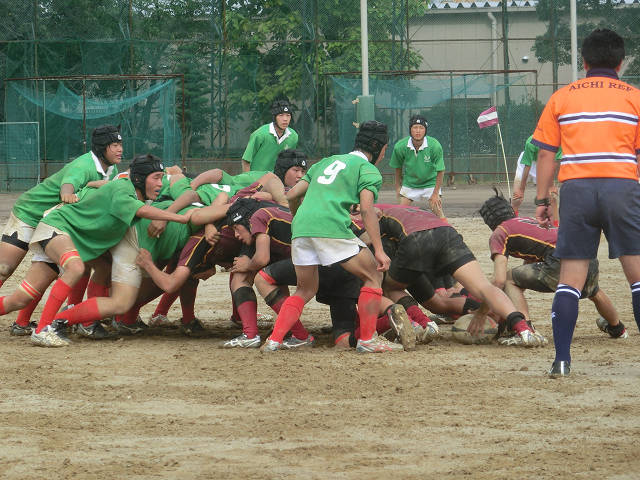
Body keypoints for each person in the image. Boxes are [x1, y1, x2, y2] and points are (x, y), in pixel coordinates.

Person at [533, 28, 640, 378]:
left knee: (571, 280)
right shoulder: (634, 98)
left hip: (576, 190)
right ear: (621, 63)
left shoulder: (563, 97)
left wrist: (541, 200)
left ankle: (561, 361)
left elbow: (546, 155)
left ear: (583, 61)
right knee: (636, 279)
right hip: (622, 188)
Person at [262, 120, 415, 353]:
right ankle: (367, 340)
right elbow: (366, 209)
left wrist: (300, 219)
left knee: (305, 289)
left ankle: (274, 341)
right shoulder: (368, 170)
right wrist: (379, 250)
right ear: (376, 147)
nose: (384, 154)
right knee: (373, 275)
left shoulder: (326, 162)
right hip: (331, 227)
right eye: (384, 149)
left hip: (302, 227)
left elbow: (292, 195)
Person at [19, 154, 191, 347]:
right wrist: (179, 217)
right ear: (139, 179)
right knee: (76, 268)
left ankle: (74, 322)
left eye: (161, 177)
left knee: (17, 300)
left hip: (76, 235)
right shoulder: (124, 192)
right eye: (156, 177)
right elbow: (141, 211)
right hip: (59, 228)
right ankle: (44, 328)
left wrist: (173, 173)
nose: (160, 183)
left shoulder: (130, 185)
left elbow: (106, 183)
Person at [0, 125, 123, 335]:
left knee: (49, 273)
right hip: (30, 213)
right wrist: (68, 194)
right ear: (102, 148)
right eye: (115, 145)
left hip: (55, 222)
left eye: (121, 144)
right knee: (4, 269)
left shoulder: (113, 171)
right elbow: (68, 186)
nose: (120, 149)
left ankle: (22, 323)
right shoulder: (84, 165)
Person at [376, 204, 547, 347]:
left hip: (415, 240)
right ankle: (524, 329)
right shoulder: (399, 209)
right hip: (446, 233)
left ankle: (424, 324)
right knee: (478, 289)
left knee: (390, 287)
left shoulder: (366, 212)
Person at [480, 191, 627, 342]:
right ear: (510, 210)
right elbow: (532, 259)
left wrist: (482, 311)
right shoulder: (525, 221)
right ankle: (618, 329)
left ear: (489, 222)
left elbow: (499, 281)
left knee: (509, 278)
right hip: (586, 253)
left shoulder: (500, 232)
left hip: (560, 260)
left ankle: (525, 330)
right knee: (594, 291)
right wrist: (515, 293)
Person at [389, 114, 446, 218]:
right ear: (410, 129)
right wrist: (398, 187)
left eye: (421, 128)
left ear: (425, 130)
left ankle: (447, 230)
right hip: (410, 184)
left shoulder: (435, 145)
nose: (418, 131)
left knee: (438, 210)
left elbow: (441, 170)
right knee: (400, 214)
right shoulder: (400, 146)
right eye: (415, 127)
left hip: (430, 183)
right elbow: (397, 167)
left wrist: (435, 193)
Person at [241, 99, 299, 173]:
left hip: (276, 181)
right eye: (281, 115)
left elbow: (289, 162)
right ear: (274, 117)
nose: (285, 119)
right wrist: (249, 181)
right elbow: (246, 161)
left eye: (288, 115)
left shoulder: (294, 136)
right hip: (256, 180)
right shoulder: (260, 134)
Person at [510, 135, 562, 215]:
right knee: (517, 198)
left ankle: (555, 225)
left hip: (544, 165)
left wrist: (552, 186)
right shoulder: (531, 141)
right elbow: (527, 167)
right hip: (525, 166)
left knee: (553, 198)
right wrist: (521, 190)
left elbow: (554, 166)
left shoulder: (558, 142)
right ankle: (513, 222)